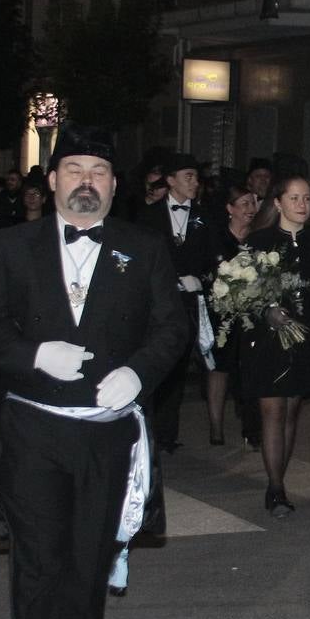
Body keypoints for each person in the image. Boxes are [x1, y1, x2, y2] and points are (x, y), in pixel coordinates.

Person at [0, 123, 189, 619]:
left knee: (89, 559)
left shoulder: (143, 247)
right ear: (53, 180)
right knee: (39, 559)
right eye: (75, 171)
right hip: (36, 428)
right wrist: (32, 355)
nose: (87, 183)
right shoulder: (13, 246)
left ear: (115, 186)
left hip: (107, 431)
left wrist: (140, 373)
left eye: (100, 173)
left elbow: (172, 327)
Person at [239, 175, 310, 515]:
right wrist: (266, 310)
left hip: (305, 334)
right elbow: (241, 290)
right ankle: (275, 487)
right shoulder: (260, 240)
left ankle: (280, 477)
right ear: (278, 202)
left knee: (293, 409)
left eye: (307, 198)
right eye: (294, 198)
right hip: (269, 338)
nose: (302, 205)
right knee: (273, 410)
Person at [134, 152, 211, 452]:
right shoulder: (149, 216)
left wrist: (200, 278)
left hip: (191, 302)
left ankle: (167, 434)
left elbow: (214, 256)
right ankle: (147, 428)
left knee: (180, 366)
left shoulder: (205, 215)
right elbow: (142, 260)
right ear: (171, 181)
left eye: (195, 176)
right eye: (188, 176)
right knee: (157, 363)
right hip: (158, 303)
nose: (194, 182)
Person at [205, 185, 261, 447]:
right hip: (222, 313)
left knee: (251, 368)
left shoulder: (259, 238)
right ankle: (215, 425)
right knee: (220, 367)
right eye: (244, 204)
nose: (250, 209)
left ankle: (251, 426)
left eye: (252, 204)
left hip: (252, 313)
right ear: (230, 209)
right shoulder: (216, 237)